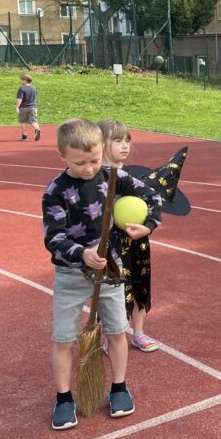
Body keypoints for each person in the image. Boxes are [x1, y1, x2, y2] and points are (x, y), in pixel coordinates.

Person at [42, 118, 161, 430]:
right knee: (64, 339)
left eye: (95, 160)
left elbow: (152, 194)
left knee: (118, 331)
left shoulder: (112, 176)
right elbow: (53, 239)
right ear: (62, 156)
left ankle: (119, 388)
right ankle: (64, 398)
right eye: (80, 163)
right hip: (71, 274)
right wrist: (82, 253)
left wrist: (148, 225)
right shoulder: (55, 191)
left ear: (101, 151)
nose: (89, 168)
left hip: (110, 270)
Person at [98, 119, 161, 353]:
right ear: (100, 143)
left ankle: (138, 333)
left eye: (127, 140)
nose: (125, 146)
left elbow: (153, 197)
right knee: (111, 288)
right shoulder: (95, 177)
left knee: (139, 284)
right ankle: (110, 334)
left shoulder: (128, 176)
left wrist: (148, 227)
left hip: (136, 239)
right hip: (111, 242)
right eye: (117, 140)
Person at [15, 73, 41, 142]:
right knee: (33, 120)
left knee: (23, 121)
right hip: (33, 107)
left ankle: (24, 136)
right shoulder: (34, 88)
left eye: (21, 79)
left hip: (23, 108)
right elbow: (35, 96)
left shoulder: (22, 88)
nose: (20, 81)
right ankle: (37, 129)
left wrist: (17, 107)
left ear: (25, 80)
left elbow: (19, 99)